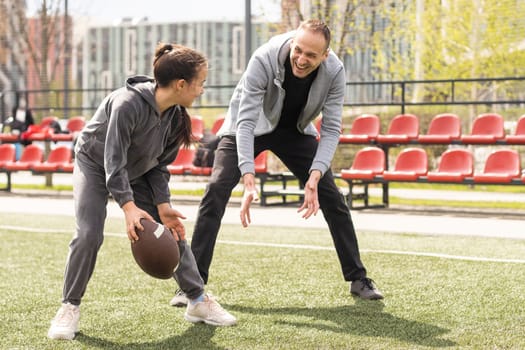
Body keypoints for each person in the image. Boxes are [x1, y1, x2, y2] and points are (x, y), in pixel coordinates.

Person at [170, 19, 383, 307]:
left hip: (294, 131)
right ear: (293, 41)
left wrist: (316, 175)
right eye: (299, 50)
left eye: (311, 55)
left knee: (332, 197)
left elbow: (331, 129)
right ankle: (191, 285)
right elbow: (245, 122)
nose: (302, 59)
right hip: (247, 127)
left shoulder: (335, 71)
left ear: (325, 55)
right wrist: (248, 174)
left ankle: (358, 278)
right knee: (216, 190)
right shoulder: (264, 57)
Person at [48, 43, 237, 341]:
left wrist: (162, 206)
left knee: (171, 227)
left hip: (136, 170)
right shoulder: (127, 104)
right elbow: (113, 162)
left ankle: (198, 300)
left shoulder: (176, 117)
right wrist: (128, 207)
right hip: (95, 164)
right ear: (181, 84)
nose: (202, 90)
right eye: (200, 83)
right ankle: (69, 307)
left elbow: (159, 167)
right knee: (88, 233)